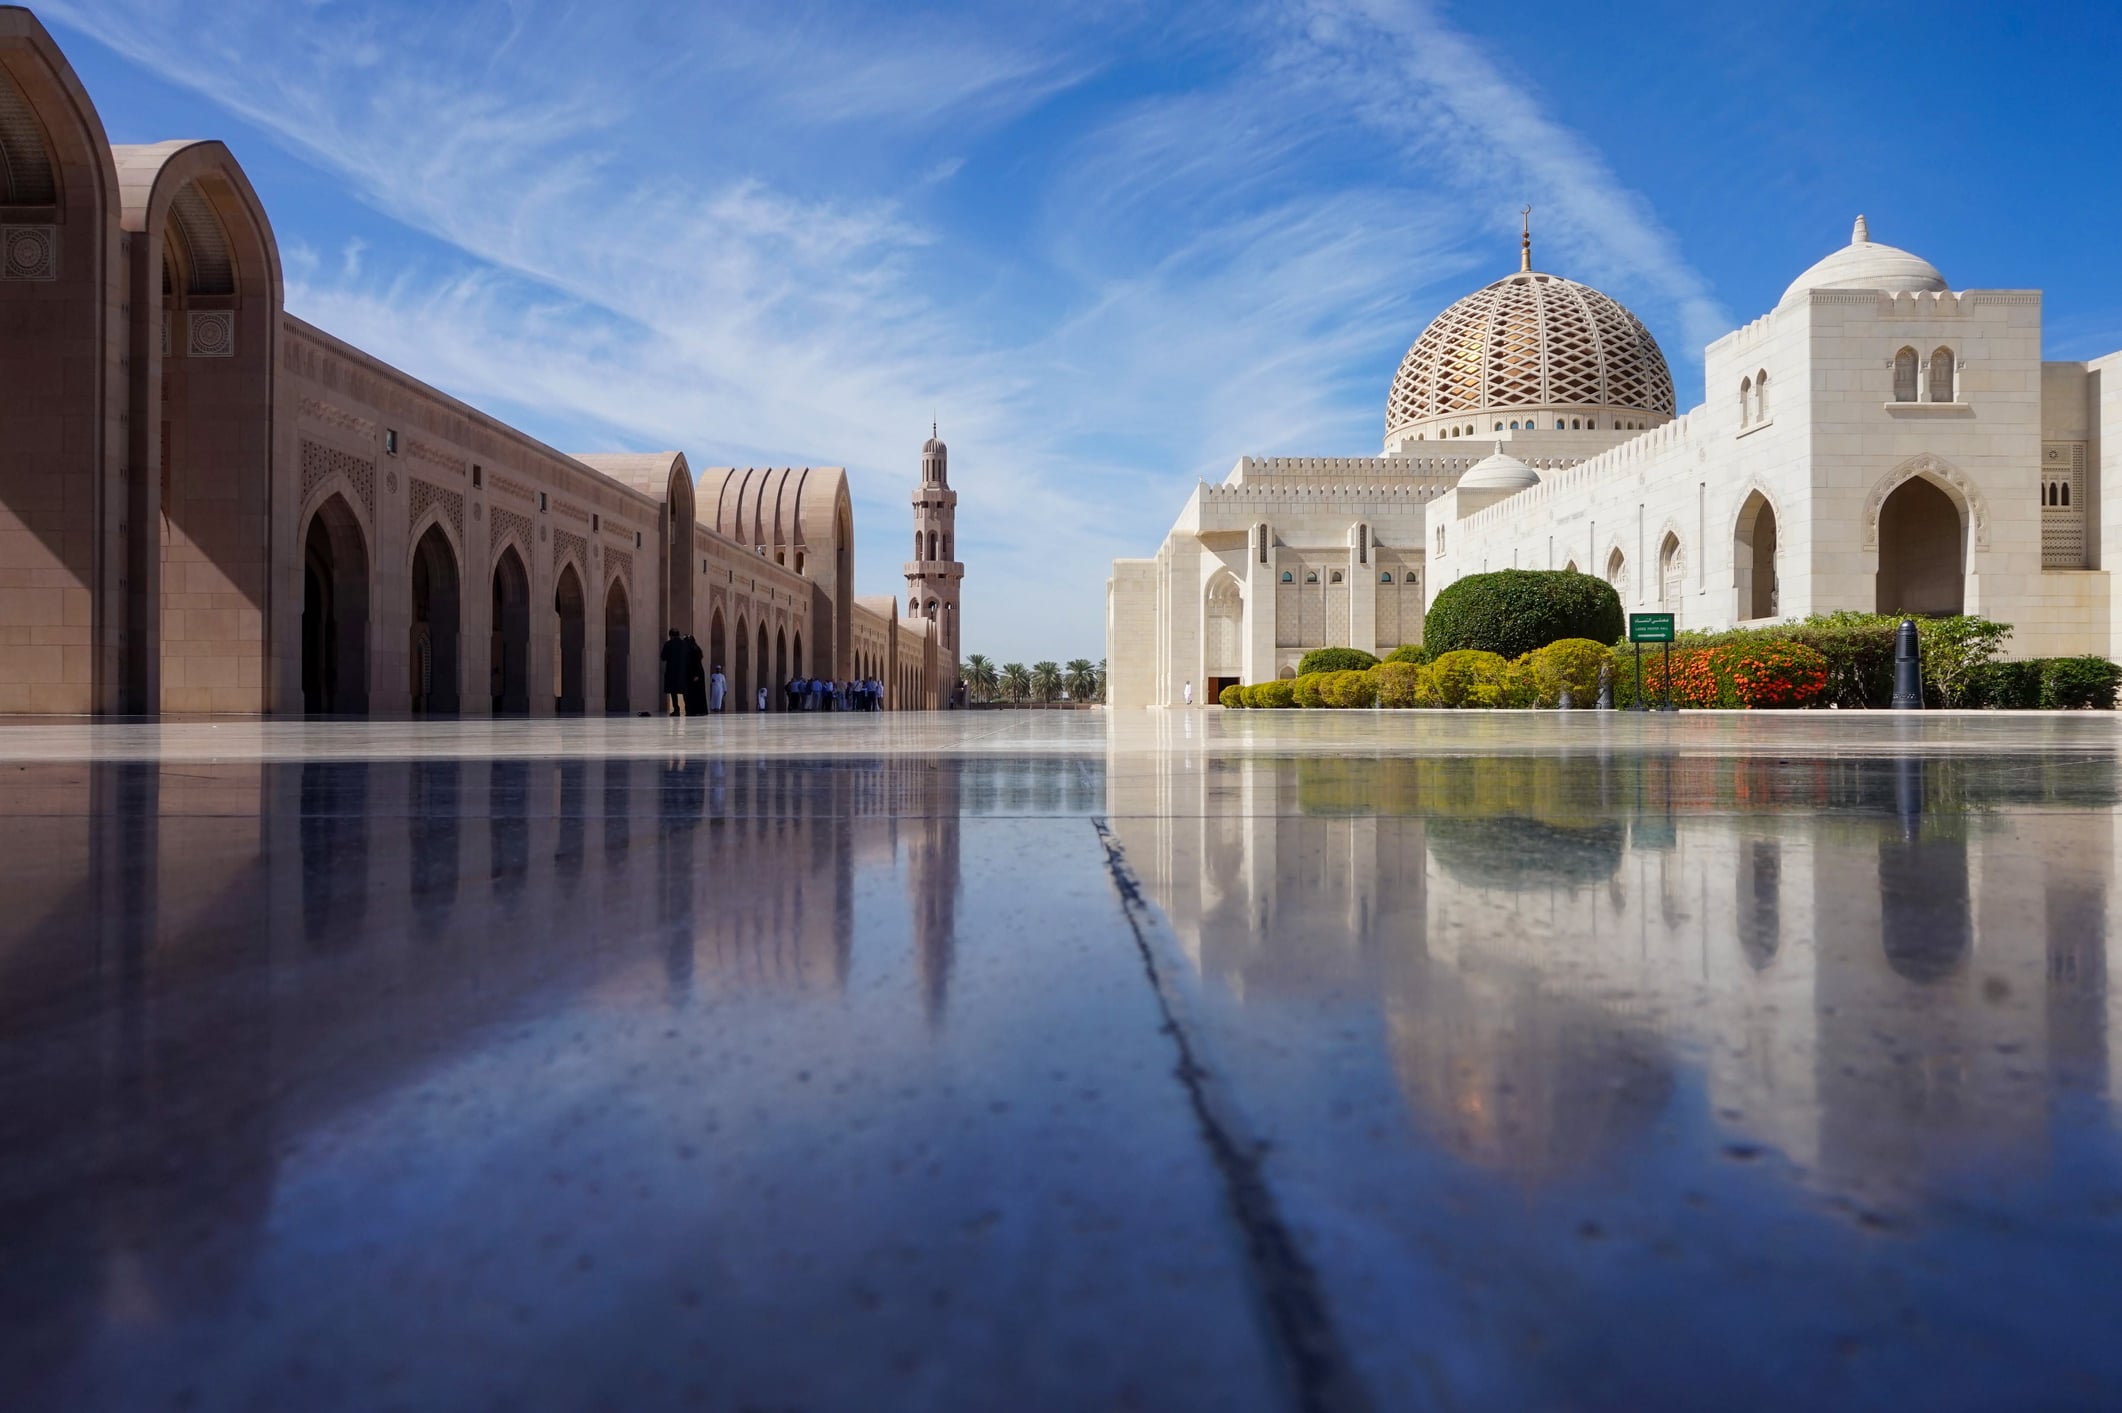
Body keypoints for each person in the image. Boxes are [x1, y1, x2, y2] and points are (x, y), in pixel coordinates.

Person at [659, 629, 687, 716]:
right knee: (685, 690)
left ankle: (676, 709)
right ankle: (688, 708)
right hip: (682, 670)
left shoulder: (668, 644)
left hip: (671, 671)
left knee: (673, 691)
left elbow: (663, 657)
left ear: (670, 635)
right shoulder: (684, 644)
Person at [683, 635, 707, 715]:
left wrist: (696, 675)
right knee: (692, 693)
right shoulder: (690, 648)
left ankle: (697, 710)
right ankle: (692, 710)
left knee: (696, 693)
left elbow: (697, 662)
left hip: (696, 674)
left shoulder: (694, 649)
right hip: (692, 673)